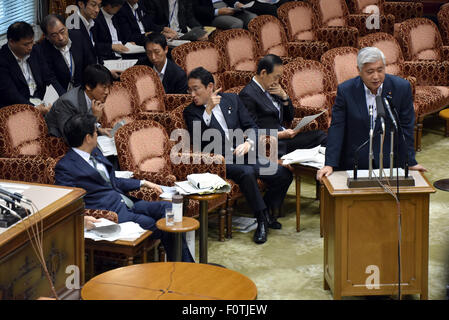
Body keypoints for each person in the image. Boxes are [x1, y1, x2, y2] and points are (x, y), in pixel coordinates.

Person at [55, 113, 193, 262]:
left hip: (128, 203)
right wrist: (81, 218)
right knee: (163, 226)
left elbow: (113, 180)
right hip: (111, 213)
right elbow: (66, 200)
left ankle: (182, 265)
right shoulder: (66, 167)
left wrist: (143, 182)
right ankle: (185, 267)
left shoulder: (95, 152)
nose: (97, 135)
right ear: (88, 138)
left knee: (169, 209)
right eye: (95, 132)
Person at [183, 67, 293, 244]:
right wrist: (208, 111)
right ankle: (262, 219)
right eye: (190, 89)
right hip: (218, 160)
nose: (192, 94)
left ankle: (266, 210)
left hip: (243, 153)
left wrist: (248, 143)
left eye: (196, 89)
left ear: (210, 86)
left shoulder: (232, 100)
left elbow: (252, 126)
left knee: (283, 174)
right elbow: (200, 140)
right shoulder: (191, 112)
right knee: (246, 172)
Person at [316, 47, 426, 181]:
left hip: (389, 161)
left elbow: (405, 128)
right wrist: (330, 163)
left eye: (380, 70)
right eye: (370, 72)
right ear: (359, 71)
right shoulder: (346, 91)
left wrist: (410, 161)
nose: (376, 77)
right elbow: (337, 128)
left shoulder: (401, 88)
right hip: (355, 161)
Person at [239, 54, 327, 158]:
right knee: (320, 137)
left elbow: (289, 117)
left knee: (321, 137)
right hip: (271, 144)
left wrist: (284, 97)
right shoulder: (248, 94)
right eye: (276, 77)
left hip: (285, 136)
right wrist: (281, 135)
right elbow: (249, 131)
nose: (278, 81)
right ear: (263, 73)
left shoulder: (272, 88)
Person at [0, 21, 65, 111]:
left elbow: (49, 77)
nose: (30, 47)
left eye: (32, 42)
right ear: (11, 42)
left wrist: (64, 98)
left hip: (42, 99)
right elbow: (11, 94)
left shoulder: (35, 50)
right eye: (26, 44)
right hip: (19, 107)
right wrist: (34, 109)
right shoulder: (2, 60)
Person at [45, 64, 113, 139]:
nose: (107, 92)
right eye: (104, 87)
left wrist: (99, 130)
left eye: (109, 87)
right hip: (58, 142)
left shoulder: (95, 98)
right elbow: (71, 136)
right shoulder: (67, 102)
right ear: (88, 86)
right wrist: (94, 117)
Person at [38, 14, 96, 92]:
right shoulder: (42, 49)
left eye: (62, 31)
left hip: (83, 87)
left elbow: (90, 63)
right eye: (54, 35)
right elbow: (50, 78)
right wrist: (65, 98)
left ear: (66, 27)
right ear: (47, 37)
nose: (61, 38)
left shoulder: (78, 36)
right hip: (60, 93)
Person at [192, 0, 257, 30]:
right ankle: (237, 51)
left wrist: (236, 4)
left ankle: (256, 48)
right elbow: (196, 9)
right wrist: (217, 11)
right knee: (237, 23)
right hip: (212, 14)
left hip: (229, 8)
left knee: (252, 18)